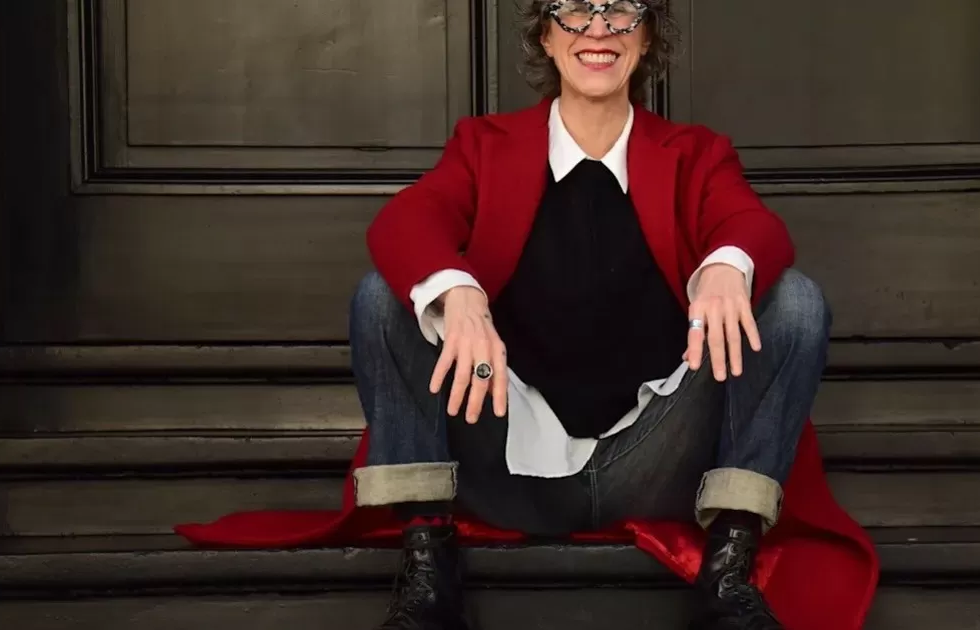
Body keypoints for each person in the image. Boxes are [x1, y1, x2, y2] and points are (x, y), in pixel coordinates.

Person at [349, 1, 830, 627]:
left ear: (646, 35)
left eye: (621, 10)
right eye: (575, 10)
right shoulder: (484, 145)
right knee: (383, 295)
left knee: (794, 300)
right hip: (505, 457)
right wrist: (457, 291)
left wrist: (724, 266)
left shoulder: (696, 153)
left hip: (656, 459)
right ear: (546, 37)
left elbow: (753, 224)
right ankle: (428, 566)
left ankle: (729, 570)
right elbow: (406, 220)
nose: (598, 29)